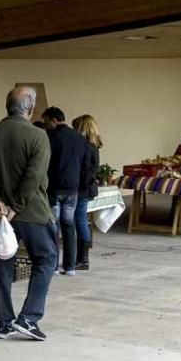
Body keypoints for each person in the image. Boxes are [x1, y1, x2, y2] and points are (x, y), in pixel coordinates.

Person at [0, 86, 57, 341]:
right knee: (46, 259)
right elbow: (35, 176)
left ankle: (3, 323)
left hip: (0, 215)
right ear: (30, 108)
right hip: (33, 213)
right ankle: (28, 318)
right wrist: (16, 206)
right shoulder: (38, 136)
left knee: (2, 265)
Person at [43, 107, 91, 277]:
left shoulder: (51, 137)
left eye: (47, 121)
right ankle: (70, 266)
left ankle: (54, 265)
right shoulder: (80, 138)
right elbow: (87, 164)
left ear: (54, 120)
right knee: (69, 226)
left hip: (55, 188)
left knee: (53, 226)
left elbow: (45, 163)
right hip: (73, 190)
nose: (46, 125)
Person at [71, 114, 102, 270]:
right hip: (87, 188)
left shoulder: (86, 146)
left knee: (80, 220)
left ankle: (83, 259)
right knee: (81, 220)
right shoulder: (94, 145)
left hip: (82, 188)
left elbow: (87, 171)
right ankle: (82, 258)